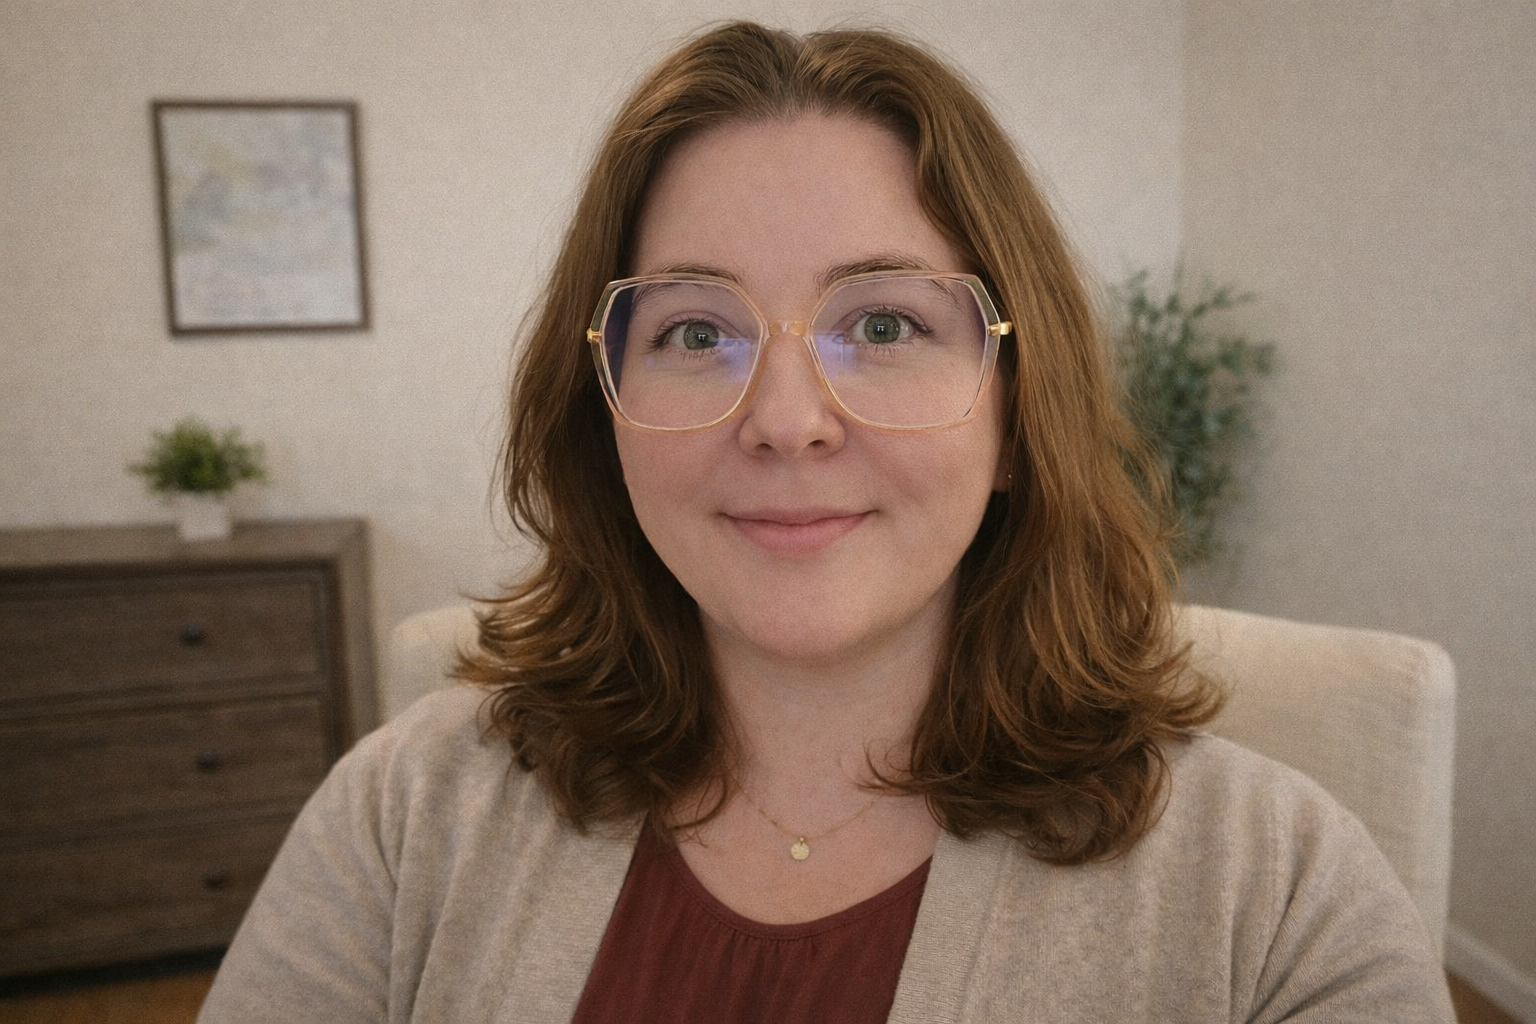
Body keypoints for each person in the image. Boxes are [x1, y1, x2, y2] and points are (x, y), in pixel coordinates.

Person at [198, 21, 1453, 1024]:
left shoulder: (1279, 893)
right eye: (696, 331)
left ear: (1015, 414)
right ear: (608, 413)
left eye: (887, 324)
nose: (786, 420)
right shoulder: (400, 818)